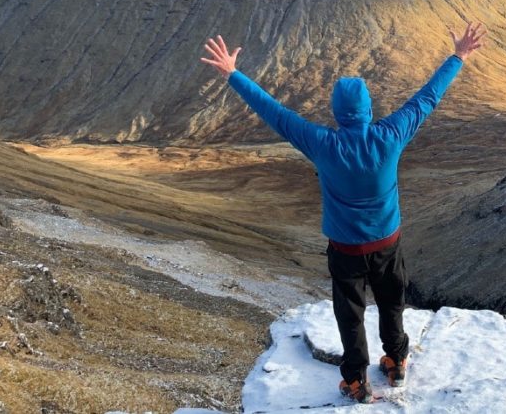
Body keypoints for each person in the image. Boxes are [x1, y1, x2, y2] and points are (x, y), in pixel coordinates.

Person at [200, 22, 486, 404]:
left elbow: (276, 113)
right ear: (368, 109)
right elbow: (427, 98)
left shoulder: (322, 143)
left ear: (337, 112)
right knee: (391, 303)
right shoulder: (391, 135)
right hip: (388, 242)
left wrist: (233, 75)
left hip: (346, 250)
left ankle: (356, 381)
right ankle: (397, 360)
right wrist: (458, 56)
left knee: (350, 316)